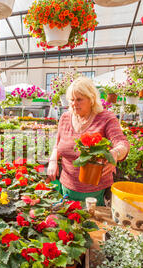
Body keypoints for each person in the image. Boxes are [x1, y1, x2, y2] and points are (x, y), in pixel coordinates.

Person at [47, 77, 130, 206]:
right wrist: (53, 161)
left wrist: (115, 153)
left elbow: (122, 143)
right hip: (67, 187)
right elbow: (57, 145)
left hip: (95, 191)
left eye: (79, 99)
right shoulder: (65, 118)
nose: (74, 104)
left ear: (91, 99)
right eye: (72, 100)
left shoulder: (106, 118)